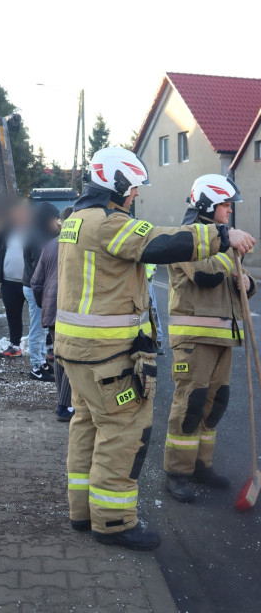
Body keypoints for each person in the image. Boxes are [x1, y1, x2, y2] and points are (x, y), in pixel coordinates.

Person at [56, 147, 256, 551]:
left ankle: (83, 512)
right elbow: (159, 242)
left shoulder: (75, 221)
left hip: (79, 353)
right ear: (114, 185)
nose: (133, 197)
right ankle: (112, 522)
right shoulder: (107, 223)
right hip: (107, 356)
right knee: (122, 433)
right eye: (131, 189)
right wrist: (221, 236)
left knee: (88, 428)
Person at [164, 174, 257, 503]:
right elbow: (205, 274)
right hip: (194, 339)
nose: (230, 211)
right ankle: (177, 472)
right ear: (207, 204)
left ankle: (201, 466)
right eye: (226, 205)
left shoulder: (221, 241)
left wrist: (246, 282)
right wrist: (229, 248)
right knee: (190, 405)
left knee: (215, 405)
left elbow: (236, 275)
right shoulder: (186, 237)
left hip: (223, 338)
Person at [31, 206, 75, 420]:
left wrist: (44, 305)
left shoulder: (49, 246)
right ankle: (65, 406)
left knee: (59, 357)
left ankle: (63, 404)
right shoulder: (78, 245)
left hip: (53, 309)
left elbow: (35, 282)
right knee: (72, 359)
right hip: (72, 310)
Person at [0, 200, 30, 358]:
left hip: (30, 282)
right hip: (9, 283)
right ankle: (15, 346)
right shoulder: (6, 230)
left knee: (40, 316)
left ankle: (48, 347)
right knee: (12, 315)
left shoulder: (35, 230)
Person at [23, 201, 60, 381]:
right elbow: (39, 267)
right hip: (35, 287)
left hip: (36, 286)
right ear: (47, 219)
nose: (57, 223)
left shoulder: (41, 234)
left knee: (42, 328)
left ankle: (43, 361)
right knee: (38, 328)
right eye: (55, 219)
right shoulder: (39, 237)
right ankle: (36, 368)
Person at [145, 263, 164, 354]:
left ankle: (158, 342)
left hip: (145, 283)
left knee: (152, 313)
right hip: (138, 283)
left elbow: (151, 266)